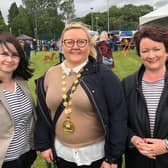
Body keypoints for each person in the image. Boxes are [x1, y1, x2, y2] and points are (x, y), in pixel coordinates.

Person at [34, 22, 127, 168]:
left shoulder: (104, 75)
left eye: (81, 42)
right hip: (62, 155)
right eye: (69, 42)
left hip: (97, 157)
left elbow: (118, 117)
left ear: (89, 45)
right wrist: (43, 144)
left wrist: (112, 158)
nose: (75, 46)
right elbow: (42, 113)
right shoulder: (49, 74)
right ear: (62, 46)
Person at [122, 25, 168, 168]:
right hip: (137, 161)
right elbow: (118, 121)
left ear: (167, 51)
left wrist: (166, 145)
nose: (151, 55)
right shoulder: (126, 85)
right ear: (139, 54)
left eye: (156, 49)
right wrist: (132, 139)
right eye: (145, 50)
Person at [0, 32, 36, 168]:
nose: (9, 59)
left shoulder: (21, 82)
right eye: (4, 54)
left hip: (26, 155)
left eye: (14, 55)